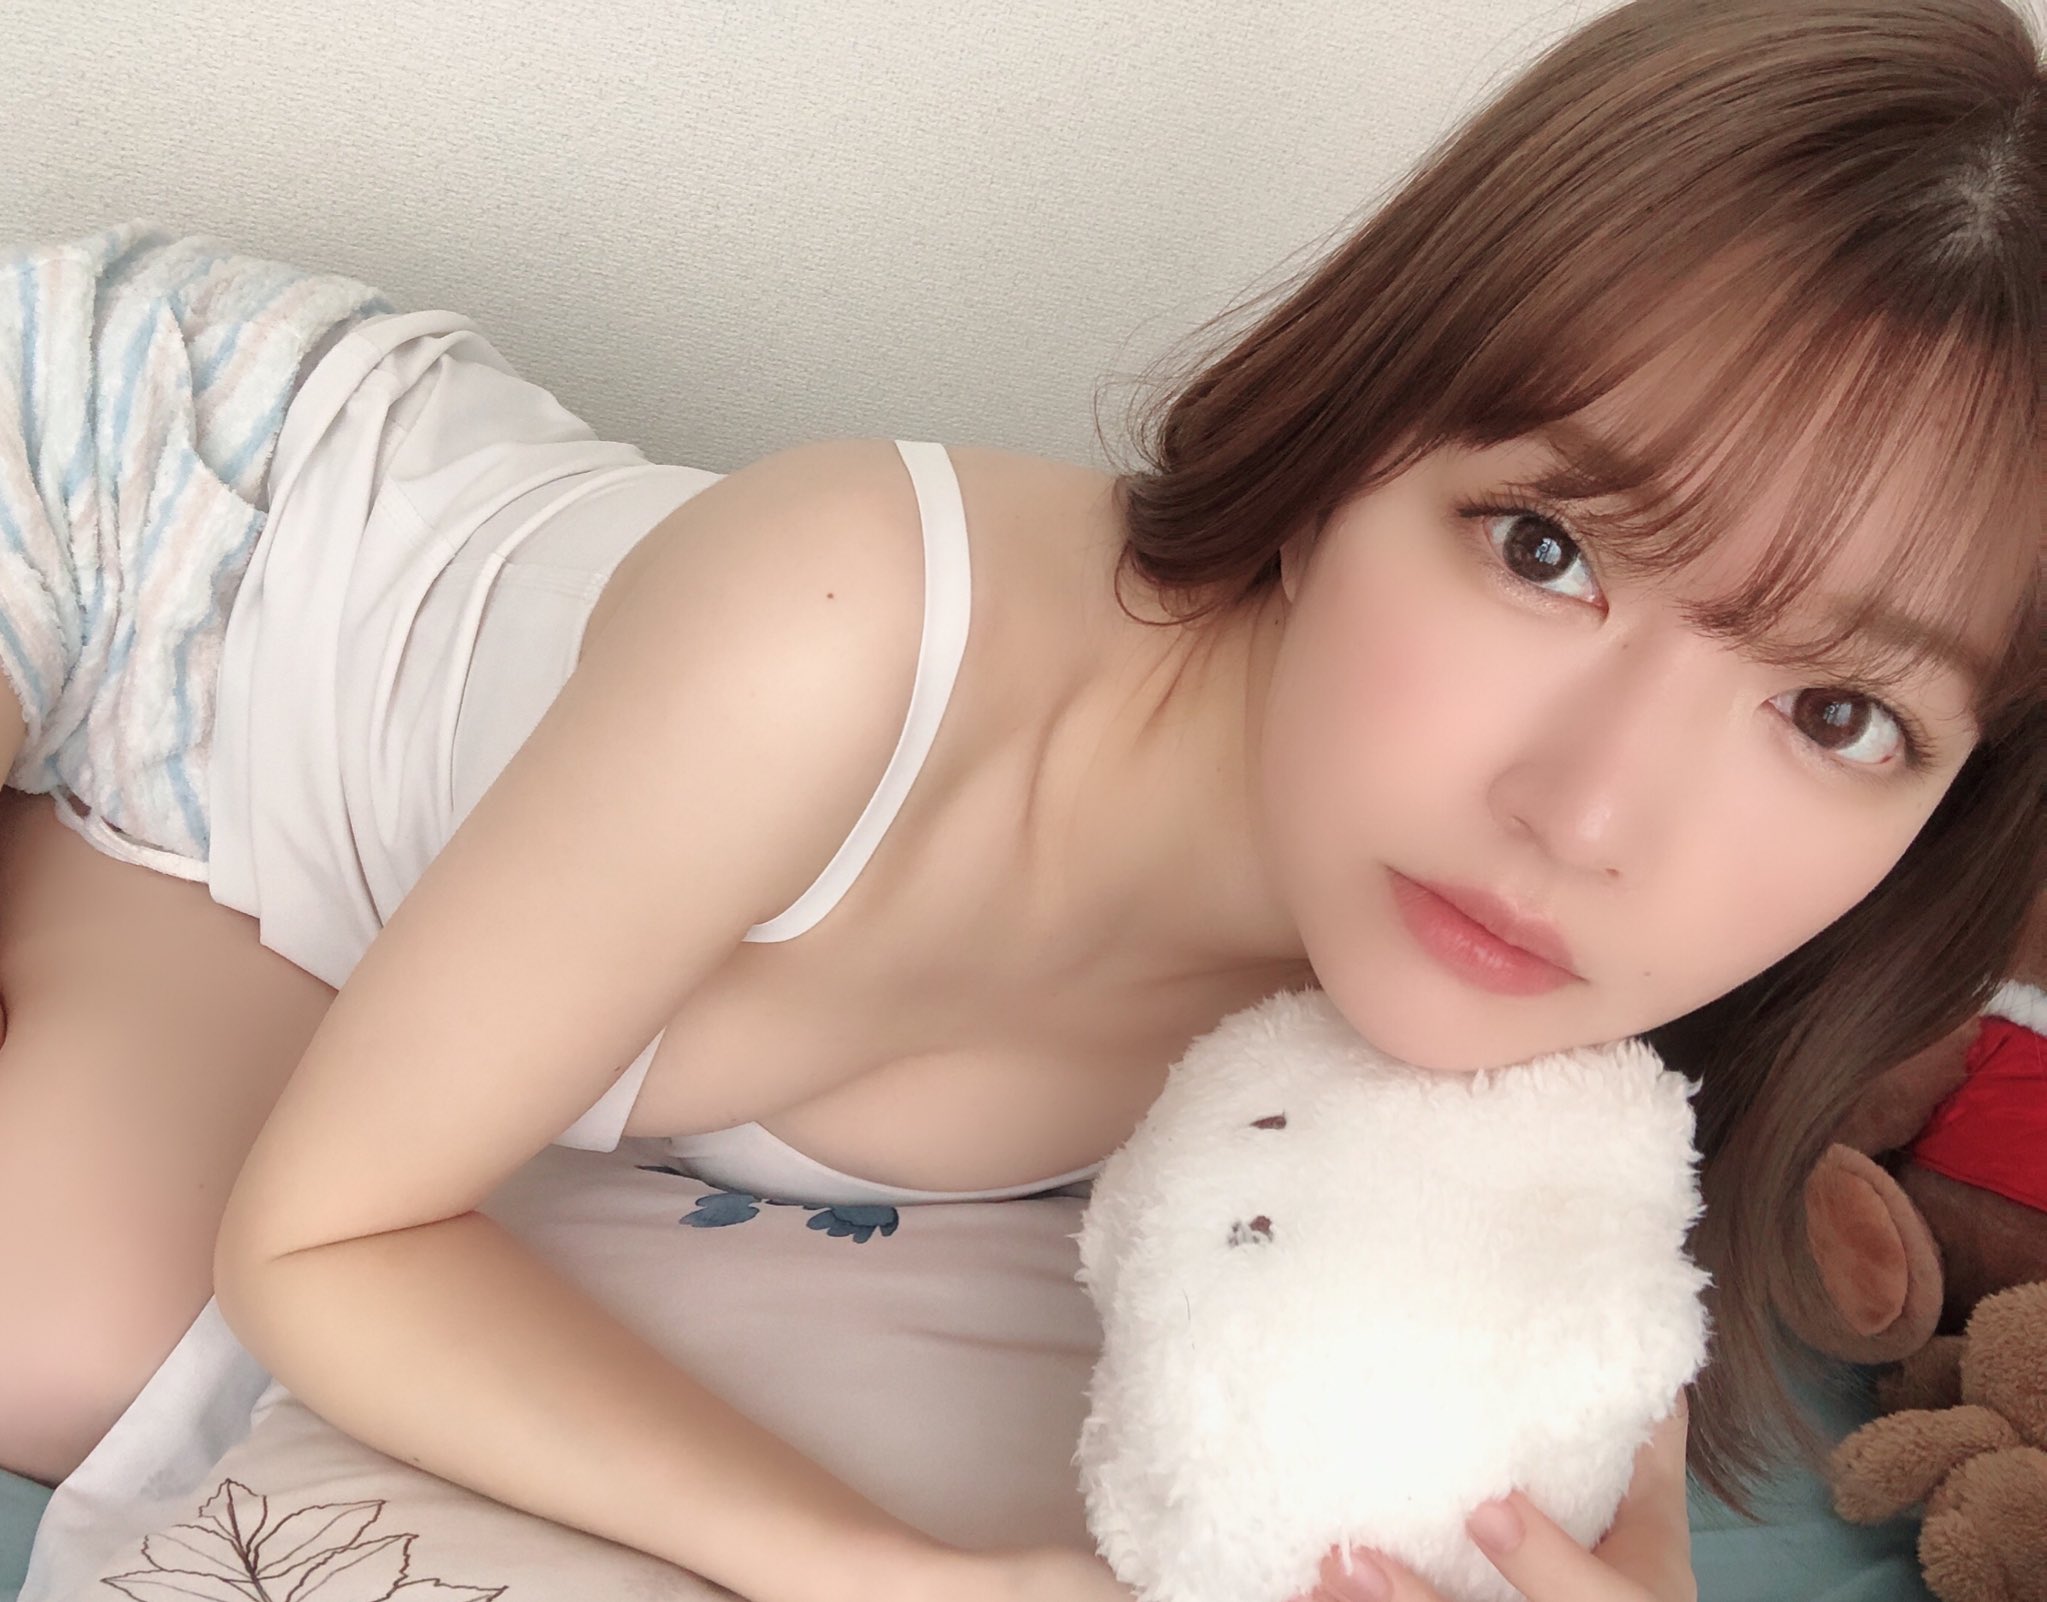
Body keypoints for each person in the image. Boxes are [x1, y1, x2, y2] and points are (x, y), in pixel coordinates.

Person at [0, 0, 2039, 1597]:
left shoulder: (1550, 1024)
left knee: (68, 1342)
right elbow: (331, 1242)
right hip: (156, 500)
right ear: (1349, 439)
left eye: (1836, 715)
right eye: (1544, 549)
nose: (1589, 817)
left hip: (311, 867)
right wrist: (872, 1569)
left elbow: (1564, 1431)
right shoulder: (837, 632)